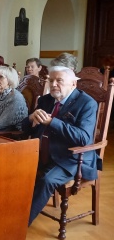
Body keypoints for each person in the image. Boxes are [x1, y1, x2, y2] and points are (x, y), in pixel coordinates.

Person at [23, 66, 98, 225]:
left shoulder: (87, 103)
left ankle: (18, 224)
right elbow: (26, 129)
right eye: (51, 80)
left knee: (47, 180)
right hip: (42, 152)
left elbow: (84, 138)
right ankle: (4, 211)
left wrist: (52, 122)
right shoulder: (46, 100)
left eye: (59, 81)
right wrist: (31, 118)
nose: (53, 84)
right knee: (11, 168)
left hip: (72, 158)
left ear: (73, 84)